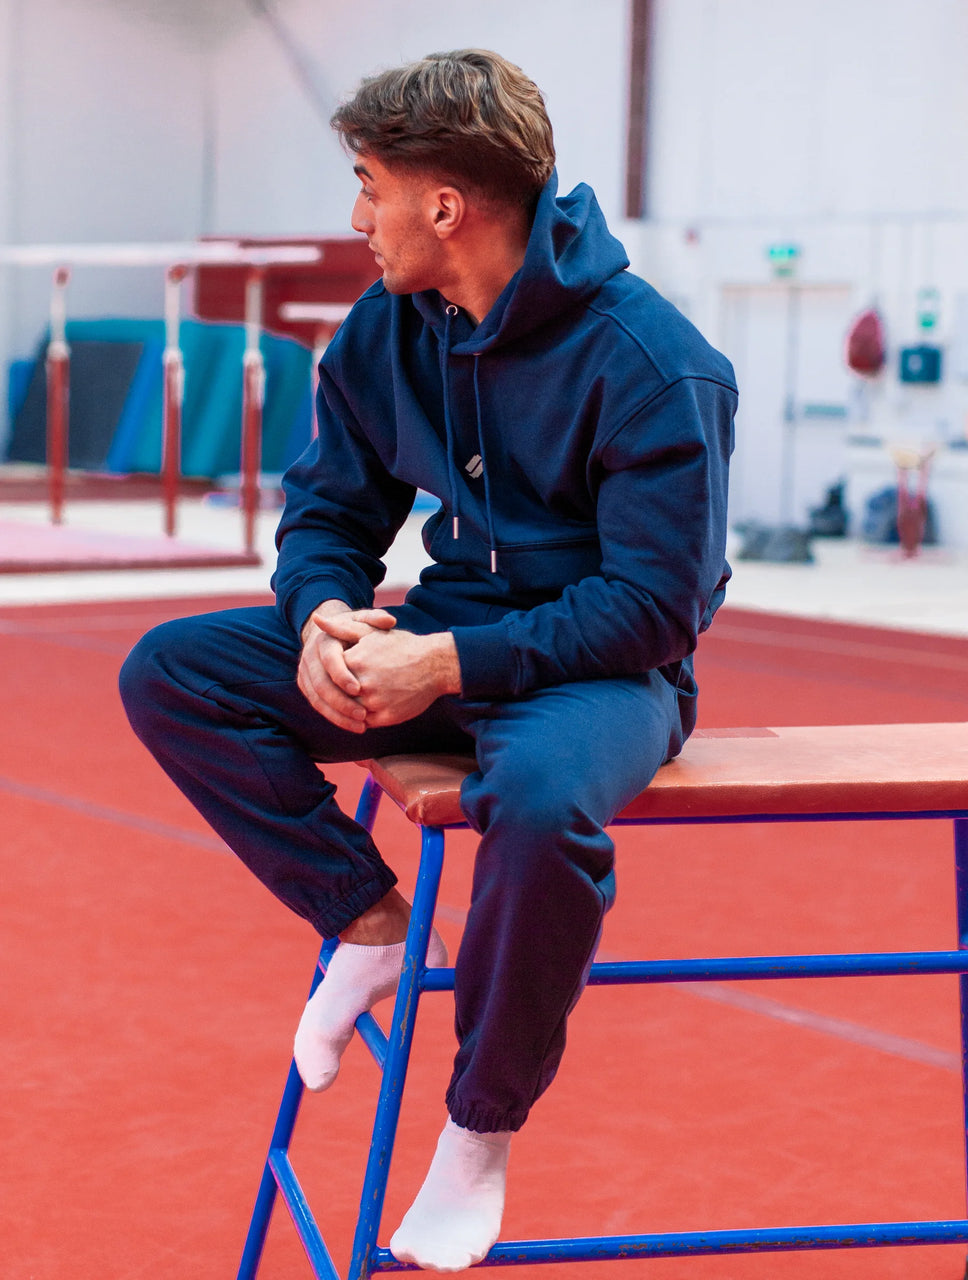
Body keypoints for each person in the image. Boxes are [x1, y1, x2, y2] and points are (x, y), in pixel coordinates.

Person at [120, 48, 735, 1273]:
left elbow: (654, 610)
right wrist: (323, 617)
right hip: (444, 634)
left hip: (603, 672)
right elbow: (329, 509)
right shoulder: (386, 326)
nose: (356, 217)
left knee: (540, 805)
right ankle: (369, 921)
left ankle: (477, 1132)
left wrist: (446, 663)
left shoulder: (654, 363)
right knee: (172, 671)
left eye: (368, 185)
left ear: (444, 206)